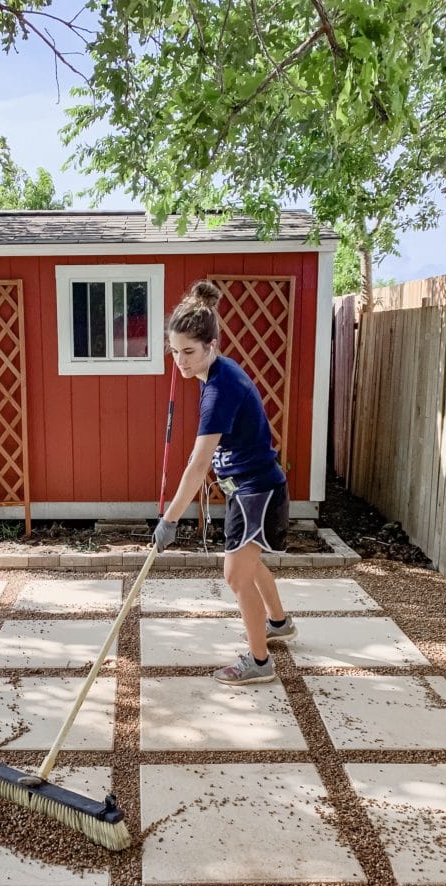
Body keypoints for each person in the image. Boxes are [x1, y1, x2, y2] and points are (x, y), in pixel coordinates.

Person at [152, 280, 297, 684]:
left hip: (257, 492)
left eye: (189, 352)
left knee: (235, 575)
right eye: (175, 351)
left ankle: (260, 663)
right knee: (249, 565)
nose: (180, 361)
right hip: (247, 488)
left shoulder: (219, 388)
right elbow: (207, 453)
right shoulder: (215, 372)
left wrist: (170, 520)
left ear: (212, 346)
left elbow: (198, 464)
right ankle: (280, 623)